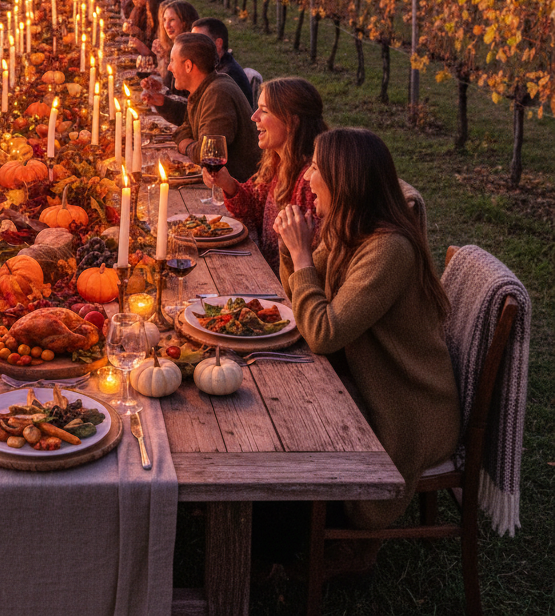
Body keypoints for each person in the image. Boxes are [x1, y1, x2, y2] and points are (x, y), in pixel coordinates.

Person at [274, 128, 460, 570]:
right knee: (282, 414)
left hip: (406, 409)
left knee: (289, 435)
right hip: (363, 384)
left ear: (345, 180)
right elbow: (298, 299)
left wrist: (301, 257)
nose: (308, 178)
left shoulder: (388, 249)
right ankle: (275, 530)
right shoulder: (349, 230)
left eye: (315, 168)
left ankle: (325, 545)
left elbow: (323, 332)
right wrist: (292, 250)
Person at [204, 77, 325, 272]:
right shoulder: (277, 163)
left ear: (292, 122)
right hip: (265, 271)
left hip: (283, 283)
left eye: (264, 110)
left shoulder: (310, 180)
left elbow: (314, 260)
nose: (254, 116)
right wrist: (228, 184)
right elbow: (254, 206)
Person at [168, 33, 261, 182]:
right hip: (222, 184)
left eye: (172, 61)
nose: (169, 67)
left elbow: (208, 152)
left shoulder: (217, 94)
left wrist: (186, 146)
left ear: (188, 66)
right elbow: (185, 127)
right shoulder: (204, 88)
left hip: (240, 188)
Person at [191, 16, 254, 107]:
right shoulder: (216, 68)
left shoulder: (226, 77)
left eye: (199, 41)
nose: (192, 46)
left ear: (218, 44)